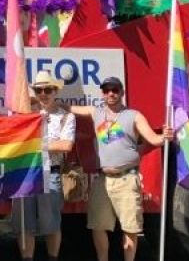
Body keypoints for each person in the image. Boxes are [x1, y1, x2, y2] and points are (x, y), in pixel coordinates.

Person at [69, 77, 172, 261]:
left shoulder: (134, 115)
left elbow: (154, 139)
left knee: (130, 229)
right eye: (107, 90)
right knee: (98, 226)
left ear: (122, 93)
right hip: (102, 180)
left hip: (127, 179)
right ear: (102, 93)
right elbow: (69, 108)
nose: (111, 93)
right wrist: (46, 101)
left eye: (115, 90)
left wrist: (164, 136)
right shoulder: (96, 112)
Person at [12, 70, 76, 261]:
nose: (43, 94)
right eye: (39, 90)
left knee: (52, 224)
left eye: (48, 90)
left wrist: (34, 144)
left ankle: (52, 258)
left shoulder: (66, 117)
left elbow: (65, 145)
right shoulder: (25, 114)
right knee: (25, 224)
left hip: (51, 174)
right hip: (25, 174)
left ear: (55, 91)